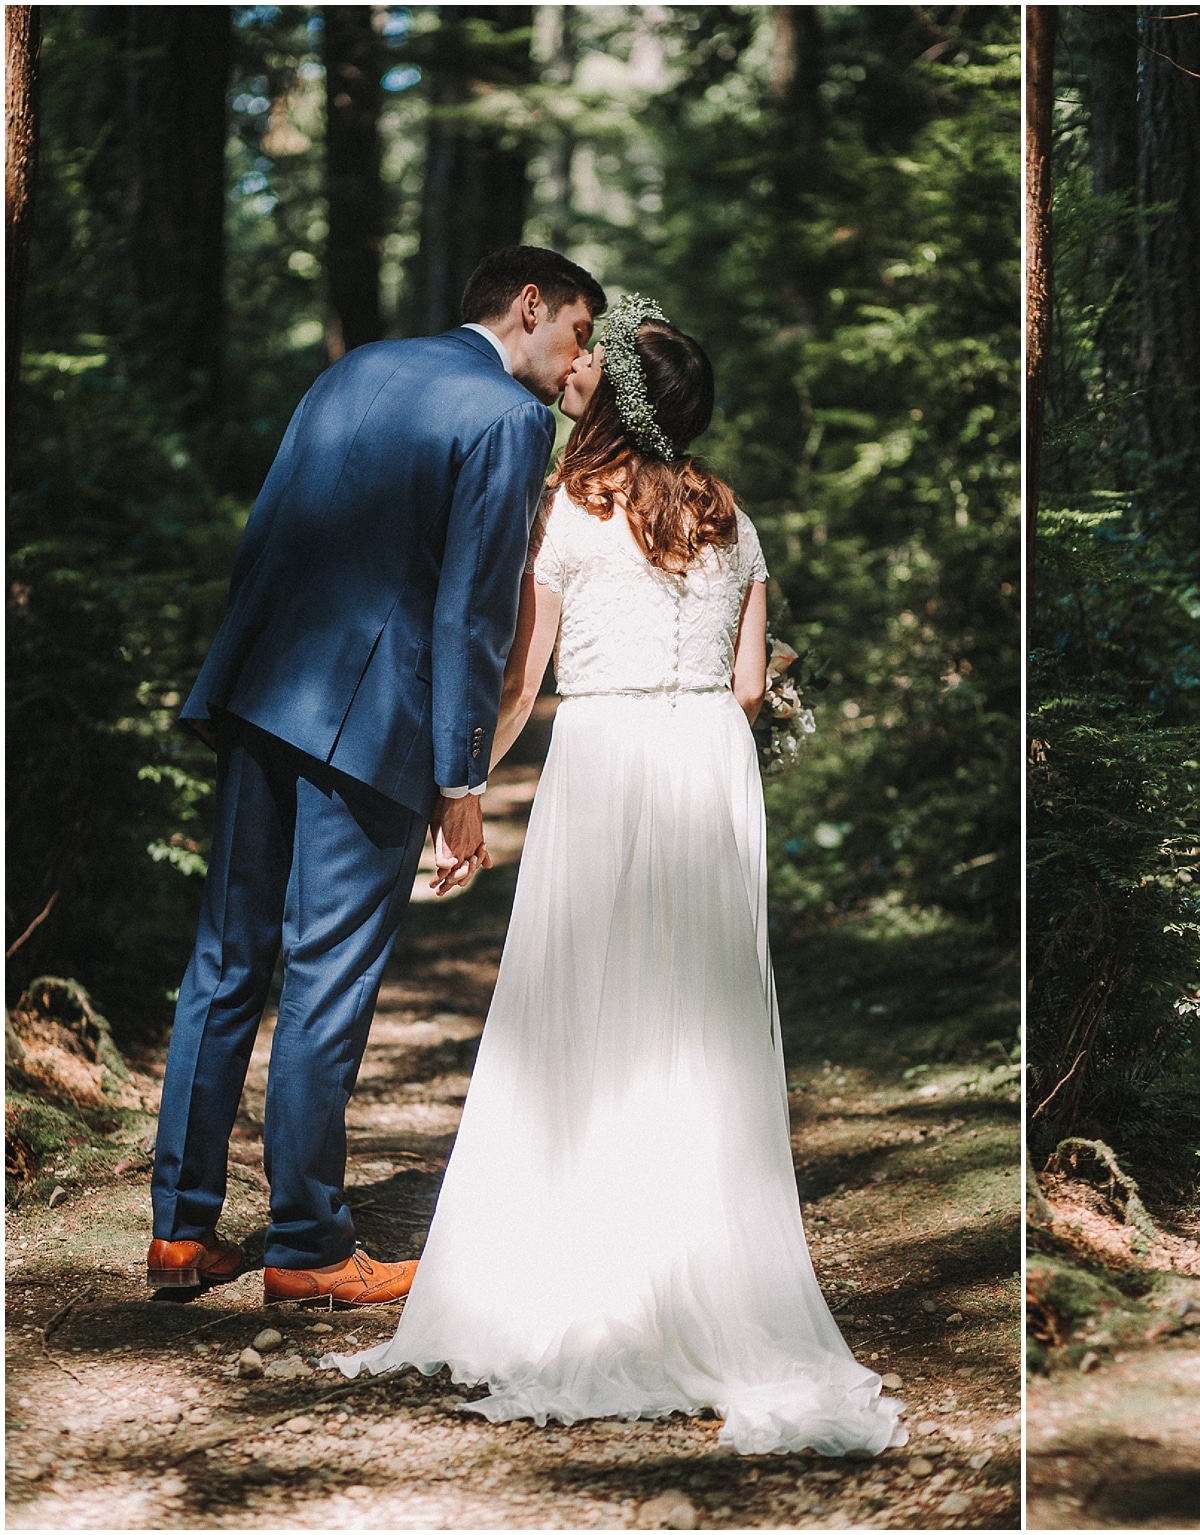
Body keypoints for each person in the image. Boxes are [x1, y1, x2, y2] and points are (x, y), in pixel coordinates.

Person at [325, 297, 905, 1457]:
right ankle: (699, 1250)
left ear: (620, 405)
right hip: (705, 764)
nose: (575, 372)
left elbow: (521, 679)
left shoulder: (566, 513)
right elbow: (748, 688)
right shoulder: (731, 517)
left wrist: (459, 796)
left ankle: (580, 1243)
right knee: (702, 1009)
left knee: (584, 995)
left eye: (595, 370)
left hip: (604, 758)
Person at [149, 248, 604, 1305]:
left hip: (259, 691)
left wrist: (235, 674)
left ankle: (181, 1230)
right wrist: (461, 779)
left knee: (226, 959)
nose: (579, 356)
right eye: (579, 329)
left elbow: (270, 530)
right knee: (323, 978)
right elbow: (472, 610)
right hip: (371, 727)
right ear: (528, 307)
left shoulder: (352, 372)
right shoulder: (505, 419)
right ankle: (307, 1244)